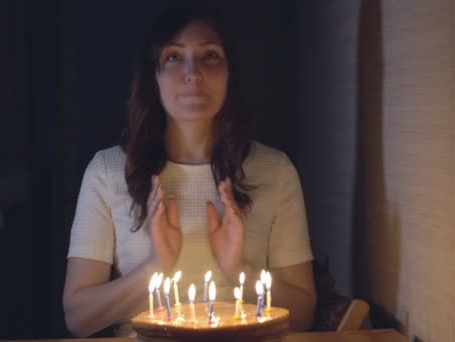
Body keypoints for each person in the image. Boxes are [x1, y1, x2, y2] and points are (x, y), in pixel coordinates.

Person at [63, 4, 316, 338]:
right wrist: (155, 267)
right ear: (153, 78)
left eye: (210, 56)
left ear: (230, 74)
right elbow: (78, 317)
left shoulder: (275, 170)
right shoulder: (108, 172)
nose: (193, 72)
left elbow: (303, 315)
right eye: (173, 57)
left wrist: (238, 269)